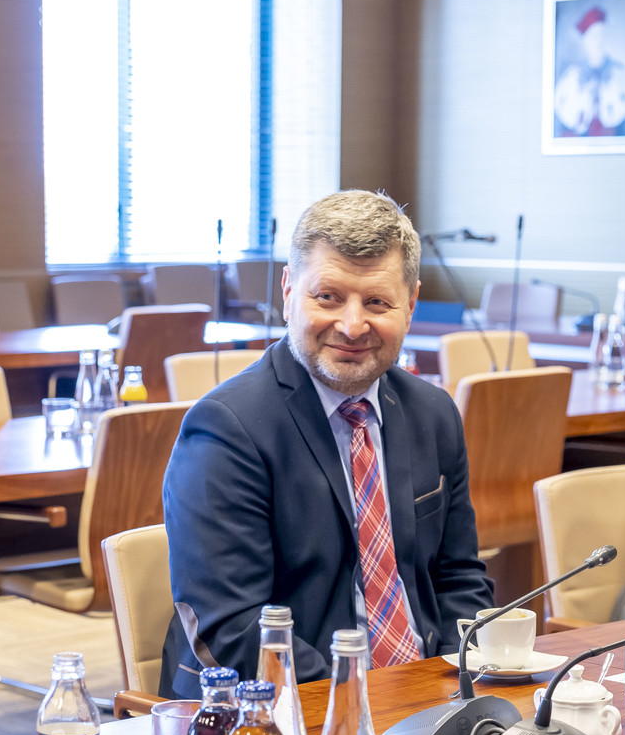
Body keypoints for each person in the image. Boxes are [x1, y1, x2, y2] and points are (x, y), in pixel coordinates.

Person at [159, 190, 495, 697]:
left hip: (427, 694)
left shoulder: (434, 413)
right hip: (281, 711)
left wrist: (455, 686)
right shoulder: (226, 429)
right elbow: (233, 625)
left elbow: (459, 578)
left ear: (410, 305)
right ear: (288, 290)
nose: (352, 325)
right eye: (328, 297)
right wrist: (359, 705)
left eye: (377, 302)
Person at [554, 5, 625, 137]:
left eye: (602, 36)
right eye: (594, 37)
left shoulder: (620, 73)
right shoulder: (572, 76)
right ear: (585, 41)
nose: (599, 42)